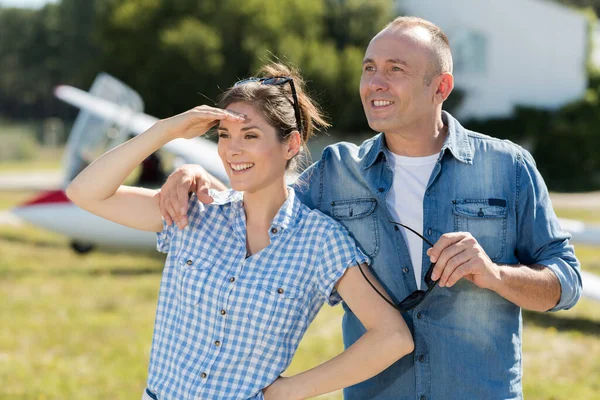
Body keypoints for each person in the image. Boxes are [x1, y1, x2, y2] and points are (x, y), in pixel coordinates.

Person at [159, 17, 582, 400]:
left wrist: (495, 275)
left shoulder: (507, 167)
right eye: (369, 68)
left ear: (441, 87)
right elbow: (260, 202)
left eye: (395, 70)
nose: (374, 82)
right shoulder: (336, 172)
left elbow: (566, 282)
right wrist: (197, 176)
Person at [66, 63, 414, 400]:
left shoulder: (320, 241)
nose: (233, 149)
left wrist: (291, 390)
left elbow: (393, 337)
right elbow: (84, 192)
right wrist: (166, 131)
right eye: (224, 135)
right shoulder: (194, 210)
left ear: (291, 145)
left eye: (250, 135)